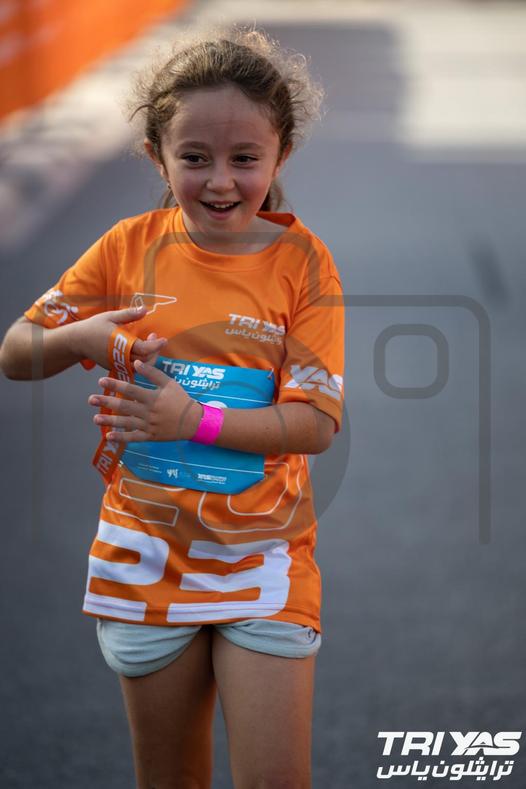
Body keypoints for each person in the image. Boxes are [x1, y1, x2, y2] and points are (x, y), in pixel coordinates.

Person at [0, 22, 345, 789]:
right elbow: (16, 350)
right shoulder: (126, 248)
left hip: (264, 560)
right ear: (156, 155)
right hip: (144, 558)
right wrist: (82, 335)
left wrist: (194, 422)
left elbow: (317, 424)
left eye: (244, 158)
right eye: (194, 157)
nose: (220, 181)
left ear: (281, 154)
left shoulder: (303, 264)